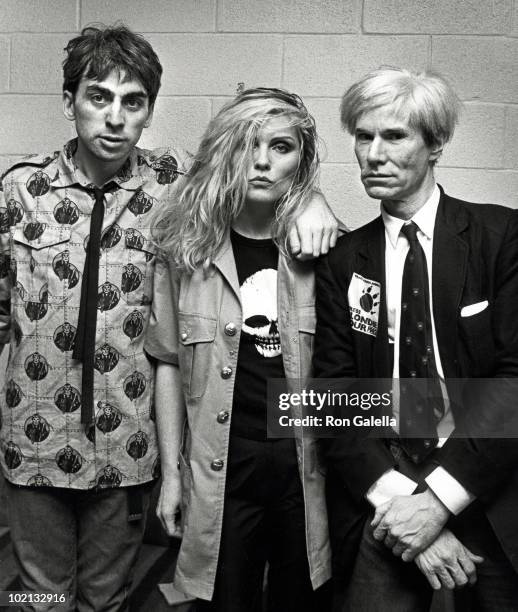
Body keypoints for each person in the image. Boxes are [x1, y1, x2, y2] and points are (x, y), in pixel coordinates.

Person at [0, 25, 338, 612]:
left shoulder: (176, 189)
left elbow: (254, 172)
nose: (114, 118)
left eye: (133, 103)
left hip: (126, 443)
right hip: (31, 443)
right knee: (38, 596)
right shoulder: (17, 191)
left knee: (106, 596)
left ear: (149, 111)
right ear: (69, 101)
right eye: (97, 97)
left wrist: (315, 199)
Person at [312, 67, 518, 611]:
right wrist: (408, 506)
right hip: (389, 487)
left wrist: (440, 503)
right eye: (362, 136)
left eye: (394, 136)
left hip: (491, 479)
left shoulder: (501, 238)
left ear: (437, 145)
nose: (373, 154)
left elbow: (514, 384)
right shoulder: (342, 262)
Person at [145, 87, 332, 611]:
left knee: (305, 599)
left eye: (281, 147)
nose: (262, 162)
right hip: (220, 465)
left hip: (306, 465)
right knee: (225, 600)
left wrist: (317, 202)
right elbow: (166, 362)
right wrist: (171, 477)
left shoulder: (325, 250)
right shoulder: (185, 251)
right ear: (226, 149)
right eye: (248, 144)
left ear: (303, 159)